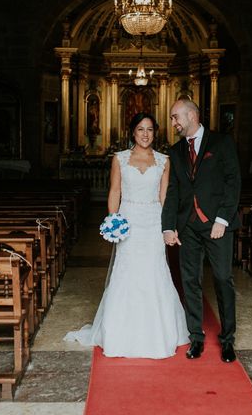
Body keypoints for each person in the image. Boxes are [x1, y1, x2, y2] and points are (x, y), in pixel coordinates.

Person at [64, 113, 189, 358]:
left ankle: (157, 333)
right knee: (128, 272)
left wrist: (169, 226)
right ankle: (122, 333)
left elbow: (165, 198)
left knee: (154, 271)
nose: (145, 134)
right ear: (132, 132)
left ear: (156, 133)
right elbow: (115, 191)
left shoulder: (164, 160)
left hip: (153, 221)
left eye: (150, 130)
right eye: (141, 129)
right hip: (129, 219)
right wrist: (114, 220)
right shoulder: (119, 159)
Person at [162, 99, 241, 363]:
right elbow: (173, 192)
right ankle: (196, 337)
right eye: (173, 119)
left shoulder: (222, 143)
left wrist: (222, 219)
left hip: (217, 225)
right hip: (188, 227)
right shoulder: (175, 152)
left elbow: (233, 183)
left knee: (222, 279)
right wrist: (168, 226)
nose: (173, 123)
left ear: (192, 115)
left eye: (176, 117)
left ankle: (228, 339)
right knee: (190, 282)